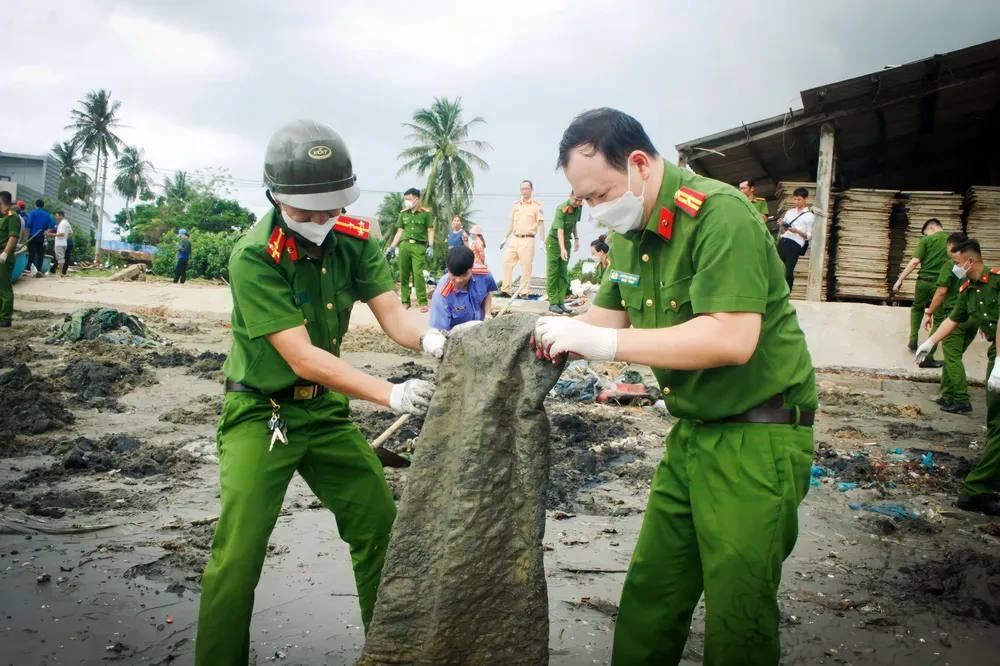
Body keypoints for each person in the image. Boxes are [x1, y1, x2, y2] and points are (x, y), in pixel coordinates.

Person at [533, 108, 816, 666]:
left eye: (599, 194)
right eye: (584, 200)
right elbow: (604, 320)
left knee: (739, 611)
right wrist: (515, 334)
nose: (594, 210)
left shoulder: (720, 215)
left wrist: (606, 348)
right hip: (691, 434)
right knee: (652, 594)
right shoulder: (629, 233)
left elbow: (730, 338)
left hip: (758, 437)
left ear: (638, 163)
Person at [194, 119, 447, 666]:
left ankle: (389, 652)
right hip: (261, 414)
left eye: (331, 207)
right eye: (307, 209)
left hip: (324, 413)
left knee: (380, 525)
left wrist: (436, 340)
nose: (321, 219)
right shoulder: (254, 255)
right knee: (238, 554)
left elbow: (395, 319)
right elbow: (303, 356)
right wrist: (391, 395)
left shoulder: (354, 241)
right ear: (276, 196)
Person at [916, 238, 1000, 516]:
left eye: (956, 263)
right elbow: (954, 317)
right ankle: (979, 489)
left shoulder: (997, 282)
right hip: (996, 354)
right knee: (997, 424)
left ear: (970, 262)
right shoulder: (968, 288)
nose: (954, 268)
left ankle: (980, 487)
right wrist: (930, 342)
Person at [923, 232, 977, 412]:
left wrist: (929, 311)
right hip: (972, 318)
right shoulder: (974, 267)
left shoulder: (950, 266)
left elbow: (940, 293)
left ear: (952, 247)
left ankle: (962, 399)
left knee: (952, 359)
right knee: (953, 358)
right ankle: (947, 395)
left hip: (954, 317)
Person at [895, 218, 949, 362]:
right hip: (941, 285)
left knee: (917, 308)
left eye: (926, 233)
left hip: (922, 283)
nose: (926, 236)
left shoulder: (925, 241)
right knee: (938, 319)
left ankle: (913, 338)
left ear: (931, 229)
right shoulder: (952, 241)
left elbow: (914, 261)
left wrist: (900, 279)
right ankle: (929, 356)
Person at [384, 188, 434, 312]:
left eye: (409, 199)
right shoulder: (404, 213)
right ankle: (405, 302)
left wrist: (431, 246)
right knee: (404, 273)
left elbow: (430, 230)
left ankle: (422, 301)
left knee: (418, 274)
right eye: (405, 199)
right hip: (404, 246)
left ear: (416, 199)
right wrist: (392, 247)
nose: (407, 202)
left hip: (418, 246)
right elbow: (400, 231)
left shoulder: (425, 213)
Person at [429, 246, 497, 331]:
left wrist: (487, 316)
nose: (458, 280)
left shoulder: (484, 275)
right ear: (447, 268)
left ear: (472, 267)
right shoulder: (442, 293)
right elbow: (440, 330)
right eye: (454, 275)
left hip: (481, 329)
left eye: (464, 275)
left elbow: (487, 292)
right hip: (457, 336)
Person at [500, 180, 544, 297]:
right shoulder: (517, 205)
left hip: (528, 239)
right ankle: (506, 289)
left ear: (531, 190)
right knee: (507, 261)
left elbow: (541, 224)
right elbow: (513, 223)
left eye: (526, 188)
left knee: (526, 266)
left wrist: (542, 241)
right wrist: (505, 237)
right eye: (522, 189)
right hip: (515, 238)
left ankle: (524, 292)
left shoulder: (536, 206)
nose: (524, 191)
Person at [546, 193, 582, 313]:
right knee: (553, 273)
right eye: (576, 199)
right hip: (554, 243)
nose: (577, 202)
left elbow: (574, 223)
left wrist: (576, 238)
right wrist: (562, 249)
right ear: (571, 196)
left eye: (580, 200)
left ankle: (560, 302)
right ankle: (553, 303)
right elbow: (560, 230)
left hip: (566, 242)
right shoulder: (561, 209)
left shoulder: (579, 207)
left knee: (563, 273)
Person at [775, 187, 814, 290]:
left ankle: (788, 293)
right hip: (783, 241)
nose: (796, 202)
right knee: (777, 269)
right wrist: (783, 225)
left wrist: (796, 231)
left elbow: (809, 235)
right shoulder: (790, 212)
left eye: (799, 199)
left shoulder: (809, 216)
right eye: (795, 199)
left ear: (805, 198)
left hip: (795, 244)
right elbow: (783, 231)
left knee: (788, 271)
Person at [0, 192, 19, 327]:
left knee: (4, 288)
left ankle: (5, 318)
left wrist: (5, 254)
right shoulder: (4, 217)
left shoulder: (12, 217)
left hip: (4, 256)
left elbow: (13, 237)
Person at [25, 199, 55, 277]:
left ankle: (29, 268)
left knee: (31, 252)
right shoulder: (47, 214)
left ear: (36, 205)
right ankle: (38, 269)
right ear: (43, 206)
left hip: (33, 235)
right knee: (40, 253)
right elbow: (53, 222)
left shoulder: (33, 212)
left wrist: (28, 227)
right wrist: (48, 230)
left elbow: (29, 223)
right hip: (41, 236)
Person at [49, 211, 73, 278]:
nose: (56, 217)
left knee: (60, 258)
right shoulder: (67, 223)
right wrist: (65, 238)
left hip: (59, 243)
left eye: (57, 216)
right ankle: (62, 272)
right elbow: (71, 233)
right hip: (64, 243)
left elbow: (61, 234)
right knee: (62, 257)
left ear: (61, 216)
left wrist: (52, 234)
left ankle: (60, 273)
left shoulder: (62, 224)